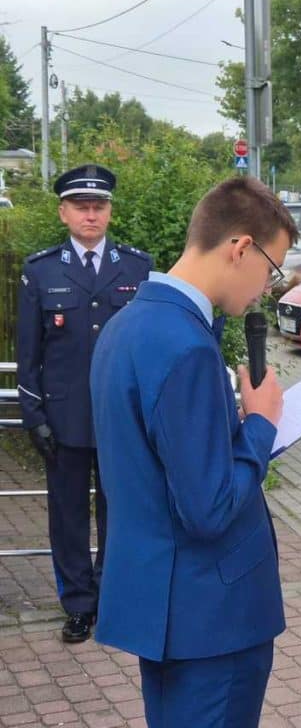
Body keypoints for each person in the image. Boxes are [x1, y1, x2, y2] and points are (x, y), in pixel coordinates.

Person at [90, 177, 299, 725]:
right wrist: (259, 425)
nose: (266, 289)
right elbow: (207, 508)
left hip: (166, 605)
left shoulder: (127, 324)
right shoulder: (186, 345)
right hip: (213, 614)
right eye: (272, 270)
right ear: (241, 248)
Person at [16, 164, 152, 644]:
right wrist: (34, 418)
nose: (90, 215)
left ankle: (110, 598)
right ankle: (77, 605)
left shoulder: (138, 267)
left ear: (110, 211)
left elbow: (146, 347)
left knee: (119, 513)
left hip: (120, 421)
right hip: (65, 419)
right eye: (81, 206)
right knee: (68, 517)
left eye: (98, 206)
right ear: (64, 212)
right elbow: (27, 355)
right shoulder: (41, 271)